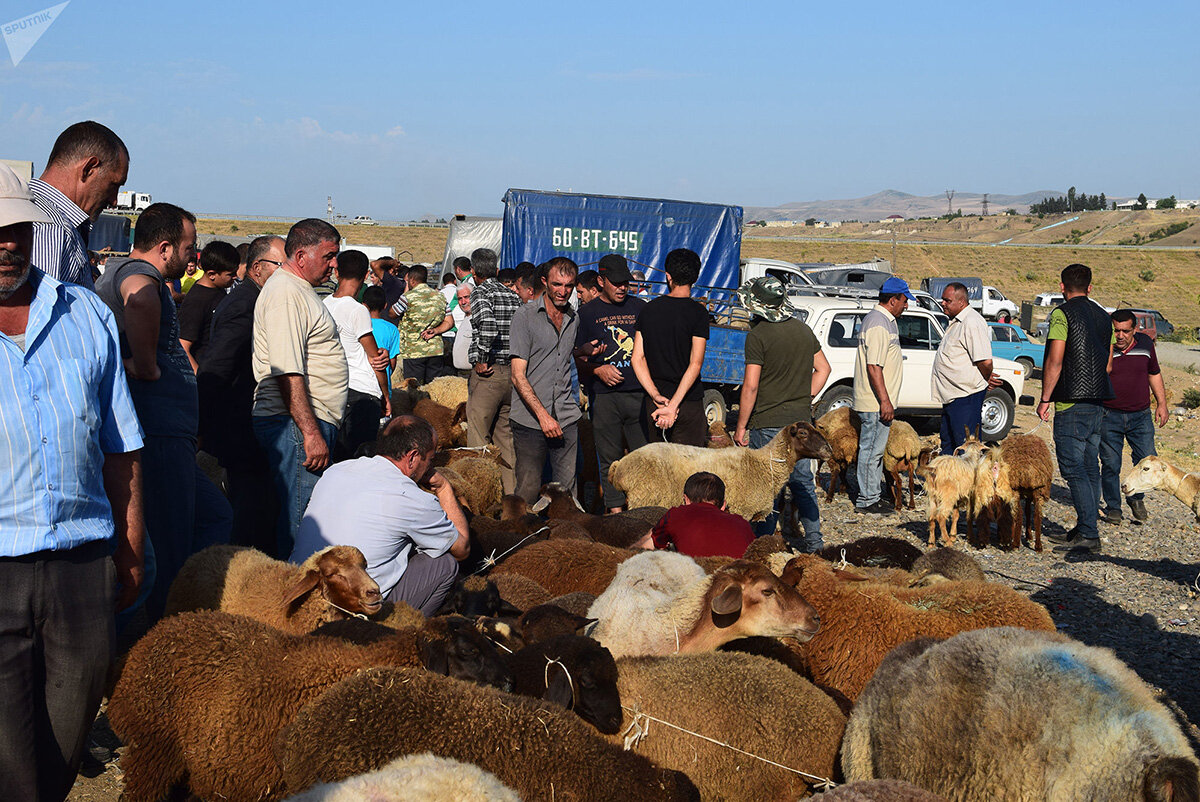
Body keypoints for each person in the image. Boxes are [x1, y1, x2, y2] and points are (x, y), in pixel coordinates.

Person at [0, 163, 144, 802]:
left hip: (81, 563)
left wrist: (131, 547)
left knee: (67, 729)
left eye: (15, 229)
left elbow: (121, 447)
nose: (5, 242)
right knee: (10, 755)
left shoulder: (84, 312)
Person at [94, 202, 231, 620]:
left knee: (214, 516)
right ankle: (161, 637)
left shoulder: (120, 272)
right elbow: (138, 300)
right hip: (159, 430)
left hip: (169, 431)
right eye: (190, 247)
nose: (196, 257)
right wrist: (148, 363)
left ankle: (178, 615)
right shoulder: (142, 274)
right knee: (171, 540)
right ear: (167, 248)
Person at [290, 416, 469, 616]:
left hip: (301, 594)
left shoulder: (336, 471)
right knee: (444, 564)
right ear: (413, 457)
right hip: (351, 608)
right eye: (430, 459)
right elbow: (462, 548)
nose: (430, 466)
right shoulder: (412, 498)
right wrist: (444, 488)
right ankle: (402, 632)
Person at [252, 218, 349, 557]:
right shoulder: (286, 293)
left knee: (300, 519)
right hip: (295, 424)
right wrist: (310, 432)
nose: (335, 264)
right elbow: (287, 370)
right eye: (330, 255)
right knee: (302, 526)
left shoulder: (298, 291)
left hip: (304, 422)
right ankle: (293, 601)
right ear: (302, 254)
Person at [197, 235, 285, 552]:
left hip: (245, 423)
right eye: (281, 265)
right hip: (240, 426)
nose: (286, 271)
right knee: (250, 513)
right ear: (258, 267)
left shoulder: (255, 300)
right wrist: (203, 425)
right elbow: (216, 367)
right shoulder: (246, 305)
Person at [733, 276, 831, 551]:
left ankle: (762, 546)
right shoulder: (803, 330)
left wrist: (741, 427)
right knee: (803, 483)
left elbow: (751, 386)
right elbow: (824, 369)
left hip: (767, 423)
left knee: (767, 487)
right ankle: (814, 544)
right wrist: (804, 396)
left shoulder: (758, 336)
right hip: (799, 423)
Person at [1039, 263, 1115, 554]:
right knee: (1089, 466)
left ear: (1061, 287)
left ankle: (1089, 534)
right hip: (1098, 401)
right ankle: (1085, 526)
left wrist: (1045, 398)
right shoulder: (1102, 316)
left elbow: (1056, 360)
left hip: (1072, 401)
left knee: (1074, 469)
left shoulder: (1062, 314)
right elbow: (1108, 365)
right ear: (1090, 288)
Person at [575, 254, 648, 512]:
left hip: (639, 396)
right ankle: (616, 516)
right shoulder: (585, 314)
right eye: (616, 282)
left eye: (625, 282)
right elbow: (575, 358)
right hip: (604, 398)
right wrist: (597, 370)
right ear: (600, 280)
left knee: (642, 459)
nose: (622, 287)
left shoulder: (640, 308)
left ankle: (641, 512)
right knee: (609, 460)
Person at [509, 257, 581, 503]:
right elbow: (518, 376)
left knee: (566, 493)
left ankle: (563, 540)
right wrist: (543, 416)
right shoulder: (525, 316)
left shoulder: (573, 318)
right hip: (531, 420)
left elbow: (561, 355)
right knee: (528, 489)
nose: (563, 291)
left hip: (566, 415)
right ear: (544, 282)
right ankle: (523, 541)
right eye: (557, 284)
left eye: (569, 286)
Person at [30, 121, 129, 290]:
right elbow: (41, 314)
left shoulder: (32, 211)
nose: (115, 201)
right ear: (89, 168)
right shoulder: (51, 228)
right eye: (114, 185)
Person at [631, 247, 709, 446]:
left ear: (668, 276)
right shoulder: (698, 313)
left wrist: (656, 395)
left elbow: (637, 358)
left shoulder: (648, 310)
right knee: (691, 471)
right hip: (688, 403)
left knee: (658, 471)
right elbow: (696, 363)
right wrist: (674, 405)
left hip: (655, 403)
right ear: (695, 277)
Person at [852, 277, 913, 514]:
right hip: (874, 401)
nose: (906, 305)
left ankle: (872, 495)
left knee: (875, 450)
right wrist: (885, 401)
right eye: (904, 300)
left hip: (877, 400)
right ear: (893, 299)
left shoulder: (885, 321)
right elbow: (874, 366)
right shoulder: (879, 323)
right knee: (871, 450)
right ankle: (867, 500)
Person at [1099, 309, 1166, 525]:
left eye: (1125, 331)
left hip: (1141, 416)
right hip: (1110, 415)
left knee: (1146, 459)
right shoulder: (1104, 348)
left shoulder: (1145, 344)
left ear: (1134, 329)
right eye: (1116, 331)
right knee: (1110, 464)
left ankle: (1136, 498)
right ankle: (1113, 508)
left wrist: (1162, 404)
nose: (1120, 336)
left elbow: (1153, 373)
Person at [323, 250, 389, 460]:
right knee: (360, 460)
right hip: (362, 391)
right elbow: (375, 359)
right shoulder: (358, 310)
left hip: (334, 389)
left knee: (338, 457)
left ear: (336, 272)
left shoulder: (324, 305)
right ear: (365, 275)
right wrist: (386, 396)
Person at [467, 247, 519, 492]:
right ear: (496, 270)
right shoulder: (513, 296)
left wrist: (482, 357)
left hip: (489, 373)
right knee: (505, 438)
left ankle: (483, 494)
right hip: (512, 374)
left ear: (474, 271)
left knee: (478, 438)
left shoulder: (480, 293)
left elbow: (487, 326)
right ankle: (511, 497)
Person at [933, 281, 1000, 454]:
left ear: (961, 302)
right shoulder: (957, 321)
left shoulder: (972, 322)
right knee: (949, 447)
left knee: (966, 451)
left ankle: (969, 481)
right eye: (943, 300)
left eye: (947, 300)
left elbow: (985, 362)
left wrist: (986, 378)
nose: (943, 303)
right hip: (952, 396)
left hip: (965, 397)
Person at [638, 473, 754, 559]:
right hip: (738, 584)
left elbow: (651, 546)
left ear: (686, 500)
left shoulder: (676, 514)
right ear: (723, 505)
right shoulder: (743, 523)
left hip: (698, 583)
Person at [177, 240, 238, 372]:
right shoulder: (196, 300)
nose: (235, 277)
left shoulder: (219, 290)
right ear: (211, 274)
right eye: (230, 274)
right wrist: (200, 378)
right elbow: (183, 346)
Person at [398, 263, 448, 384]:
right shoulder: (441, 296)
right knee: (433, 387)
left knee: (415, 388)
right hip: (435, 350)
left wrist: (406, 291)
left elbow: (392, 313)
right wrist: (436, 331)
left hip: (414, 350)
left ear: (412, 280)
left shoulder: (407, 297)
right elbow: (449, 322)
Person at [364, 285, 401, 390]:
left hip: (360, 384)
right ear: (385, 306)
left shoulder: (358, 325)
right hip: (383, 386)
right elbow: (392, 363)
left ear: (364, 305)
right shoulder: (392, 329)